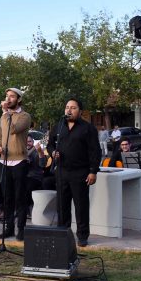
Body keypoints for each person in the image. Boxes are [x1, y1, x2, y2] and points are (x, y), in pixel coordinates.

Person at [46, 98, 101, 247]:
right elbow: (50, 145)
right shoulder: (58, 127)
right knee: (62, 205)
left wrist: (93, 171)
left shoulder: (88, 128)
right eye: (67, 107)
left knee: (81, 205)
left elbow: (95, 152)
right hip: (62, 171)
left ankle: (82, 236)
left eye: (73, 108)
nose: (69, 110)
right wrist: (52, 153)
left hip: (81, 172)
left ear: (80, 111)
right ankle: (63, 233)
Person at [0, 87, 32, 241]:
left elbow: (14, 130)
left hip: (19, 161)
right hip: (4, 161)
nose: (8, 99)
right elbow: (0, 135)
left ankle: (21, 229)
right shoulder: (3, 117)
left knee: (20, 198)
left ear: (19, 99)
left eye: (12, 96)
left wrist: (6, 113)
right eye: (7, 96)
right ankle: (9, 228)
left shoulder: (24, 116)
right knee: (7, 198)